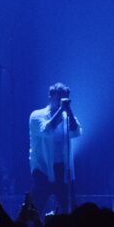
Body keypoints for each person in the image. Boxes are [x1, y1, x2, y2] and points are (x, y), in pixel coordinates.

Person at [29, 82, 81, 213]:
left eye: (64, 98)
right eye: (59, 97)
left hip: (62, 170)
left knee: (69, 208)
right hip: (43, 169)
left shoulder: (66, 116)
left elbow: (76, 132)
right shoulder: (37, 115)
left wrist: (68, 110)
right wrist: (61, 110)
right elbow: (46, 130)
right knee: (34, 208)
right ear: (50, 96)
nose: (61, 101)